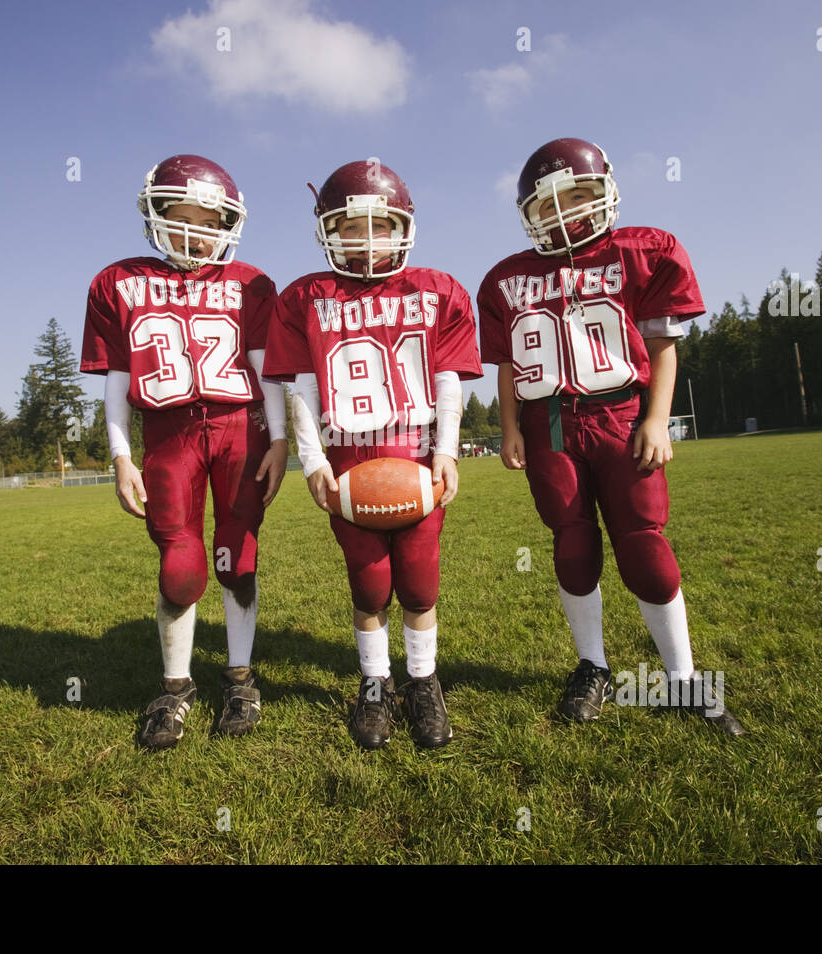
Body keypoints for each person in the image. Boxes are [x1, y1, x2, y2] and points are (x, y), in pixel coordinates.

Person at [476, 138, 745, 735]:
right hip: (549, 422)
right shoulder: (507, 279)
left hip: (621, 415)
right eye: (548, 205)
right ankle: (592, 666)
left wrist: (656, 417)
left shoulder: (642, 251)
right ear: (528, 214)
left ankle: (681, 677)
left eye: (576, 195)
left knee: (644, 543)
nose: (564, 212)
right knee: (572, 544)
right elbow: (505, 366)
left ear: (604, 193)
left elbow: (661, 347)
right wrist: (511, 428)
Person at [264, 160, 482, 749]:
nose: (364, 240)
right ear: (327, 230)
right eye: (349, 226)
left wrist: (447, 451)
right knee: (368, 582)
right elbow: (302, 388)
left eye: (378, 226)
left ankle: (423, 680)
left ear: (401, 227)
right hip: (347, 460)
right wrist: (311, 461)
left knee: (418, 580)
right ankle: (373, 683)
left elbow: (448, 381)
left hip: (414, 452)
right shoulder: (307, 297)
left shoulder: (436, 290)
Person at [79, 155, 287, 749]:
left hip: (238, 428)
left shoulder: (250, 282)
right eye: (181, 217)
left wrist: (278, 438)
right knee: (179, 562)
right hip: (167, 433)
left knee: (236, 554)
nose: (195, 232)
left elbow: (264, 370)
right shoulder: (117, 281)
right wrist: (120, 453)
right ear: (154, 216)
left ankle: (241, 676)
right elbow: (117, 377)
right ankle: (175, 686)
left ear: (229, 223)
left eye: (207, 219)